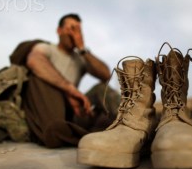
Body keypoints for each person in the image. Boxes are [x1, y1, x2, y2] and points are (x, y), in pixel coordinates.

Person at [22, 13, 119, 148]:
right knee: (38, 80)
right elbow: (34, 60)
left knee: (102, 89)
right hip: (51, 107)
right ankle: (66, 133)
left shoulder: (79, 59)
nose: (74, 33)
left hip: (75, 112)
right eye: (71, 28)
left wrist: (82, 49)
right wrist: (69, 89)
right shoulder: (47, 48)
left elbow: (106, 75)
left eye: (78, 29)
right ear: (59, 30)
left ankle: (133, 125)